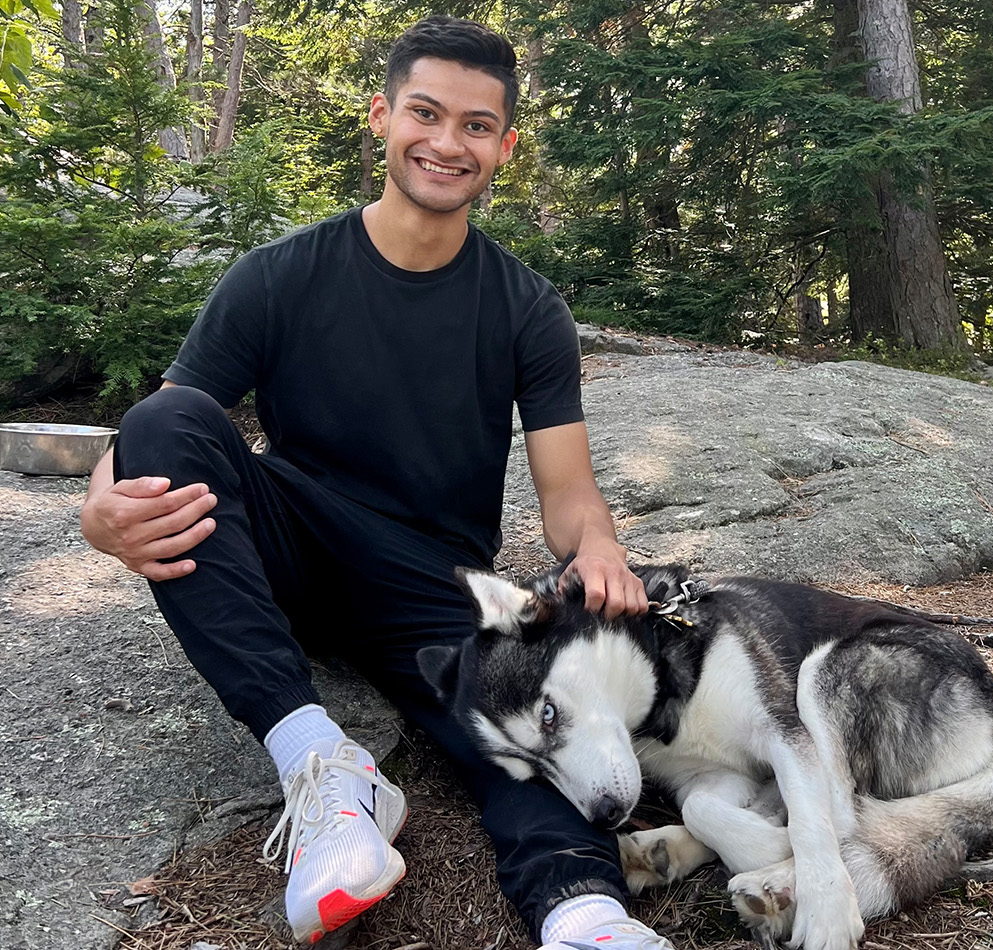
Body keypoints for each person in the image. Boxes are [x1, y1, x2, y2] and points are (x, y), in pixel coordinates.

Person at [79, 16, 673, 949]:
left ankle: (584, 914)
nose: (447, 142)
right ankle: (324, 768)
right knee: (161, 423)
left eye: (477, 126)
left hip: (433, 584)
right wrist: (99, 509)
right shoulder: (277, 277)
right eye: (425, 114)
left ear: (505, 147)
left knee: (522, 725)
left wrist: (597, 547)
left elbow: (568, 489)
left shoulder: (527, 308)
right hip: (291, 548)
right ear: (381, 116)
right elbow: (166, 422)